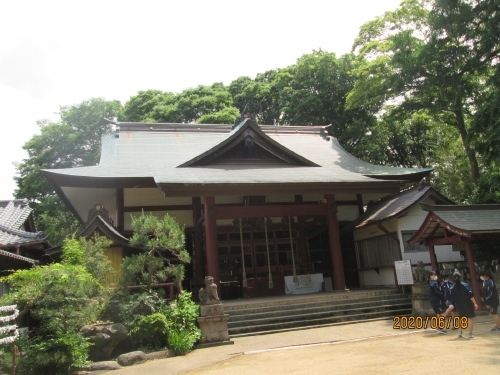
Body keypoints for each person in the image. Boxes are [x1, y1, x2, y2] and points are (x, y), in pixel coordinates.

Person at [450, 271, 478, 338]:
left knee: (460, 318)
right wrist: (475, 303)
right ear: (461, 277)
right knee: (469, 318)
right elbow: (471, 295)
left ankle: (460, 332)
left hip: (459, 305)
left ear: (453, 278)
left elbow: (452, 297)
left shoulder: (452, 288)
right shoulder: (465, 285)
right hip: (468, 304)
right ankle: (470, 334)